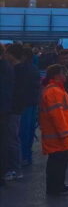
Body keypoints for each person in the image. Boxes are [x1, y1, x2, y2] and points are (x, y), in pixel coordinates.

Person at [38, 64, 68, 195]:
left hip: (56, 134)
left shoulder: (54, 89)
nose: (66, 75)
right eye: (63, 73)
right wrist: (64, 133)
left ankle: (57, 185)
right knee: (58, 162)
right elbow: (57, 115)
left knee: (58, 162)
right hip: (58, 135)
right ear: (56, 75)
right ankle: (55, 187)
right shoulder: (54, 91)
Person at [13, 44, 41, 169]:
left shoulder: (22, 69)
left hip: (24, 104)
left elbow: (20, 88)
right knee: (29, 131)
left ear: (24, 56)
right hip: (32, 102)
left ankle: (23, 156)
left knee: (22, 131)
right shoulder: (34, 68)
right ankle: (27, 155)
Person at [3, 45, 25, 181]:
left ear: (12, 54)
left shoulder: (15, 70)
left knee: (11, 139)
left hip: (12, 109)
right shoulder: (18, 69)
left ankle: (15, 169)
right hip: (15, 108)